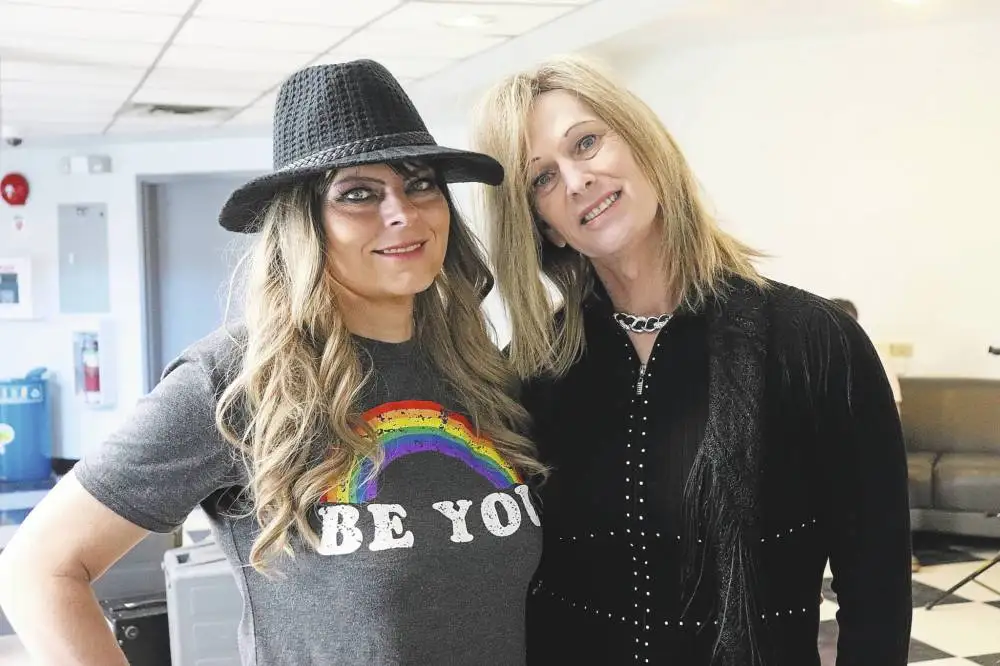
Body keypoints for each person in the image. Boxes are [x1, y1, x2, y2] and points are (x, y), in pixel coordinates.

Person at [0, 60, 545, 666]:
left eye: (420, 184)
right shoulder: (238, 378)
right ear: (305, 225)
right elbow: (36, 570)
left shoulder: (478, 370)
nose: (403, 212)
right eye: (358, 194)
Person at [472, 55, 912, 665]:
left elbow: (877, 584)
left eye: (588, 143)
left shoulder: (815, 342)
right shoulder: (527, 372)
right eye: (541, 178)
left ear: (644, 145)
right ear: (543, 225)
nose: (576, 181)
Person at [830, 297, 918, 573]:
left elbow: (891, 416)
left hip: (868, 445)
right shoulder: (815, 356)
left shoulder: (875, 357)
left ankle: (900, 556)